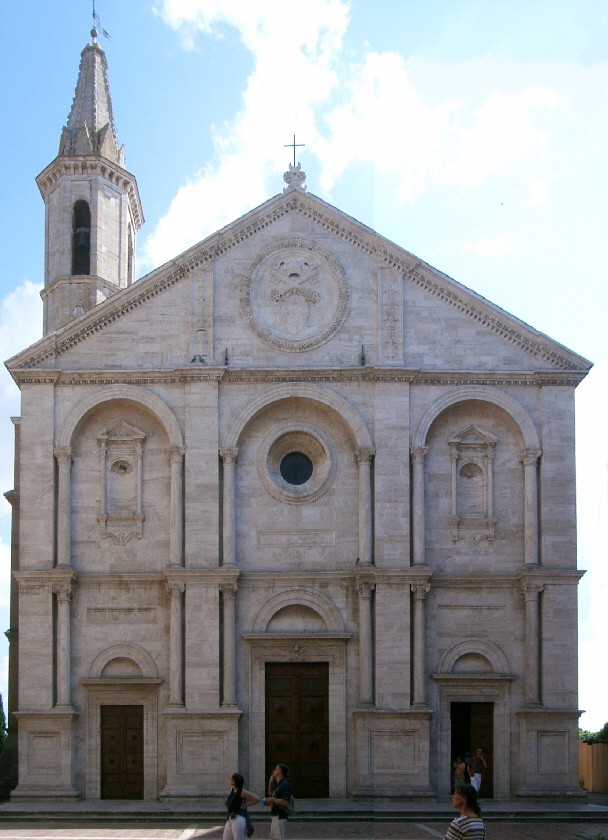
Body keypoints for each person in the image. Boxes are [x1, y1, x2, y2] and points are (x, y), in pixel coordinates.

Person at [223, 772, 260, 840]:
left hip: (239, 818)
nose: (230, 780)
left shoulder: (243, 791)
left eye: (232, 779)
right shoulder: (232, 790)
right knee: (226, 837)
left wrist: (247, 805)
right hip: (231, 816)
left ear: (235, 781)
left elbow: (257, 798)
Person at [262, 763, 291, 840]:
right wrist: (270, 782)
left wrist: (272, 800)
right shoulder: (278, 784)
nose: (273, 771)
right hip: (275, 816)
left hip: (280, 816)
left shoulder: (284, 784)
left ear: (279, 771)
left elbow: (286, 802)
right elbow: (271, 794)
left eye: (275, 769)